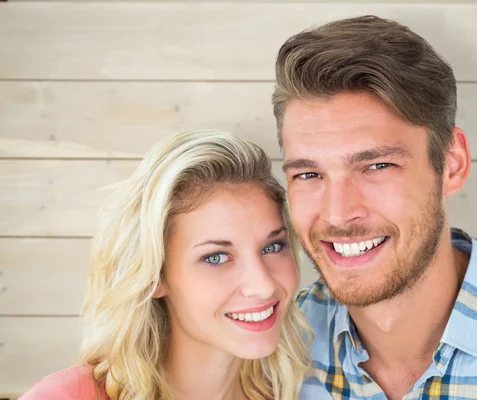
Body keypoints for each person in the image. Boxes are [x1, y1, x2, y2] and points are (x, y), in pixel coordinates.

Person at [272, 15, 477, 400]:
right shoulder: (273, 349)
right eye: (309, 174)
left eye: (377, 166)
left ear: (452, 164)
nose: (337, 214)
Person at [21, 131, 311, 400]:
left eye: (272, 247)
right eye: (215, 257)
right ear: (156, 276)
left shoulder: (304, 390)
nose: (262, 285)